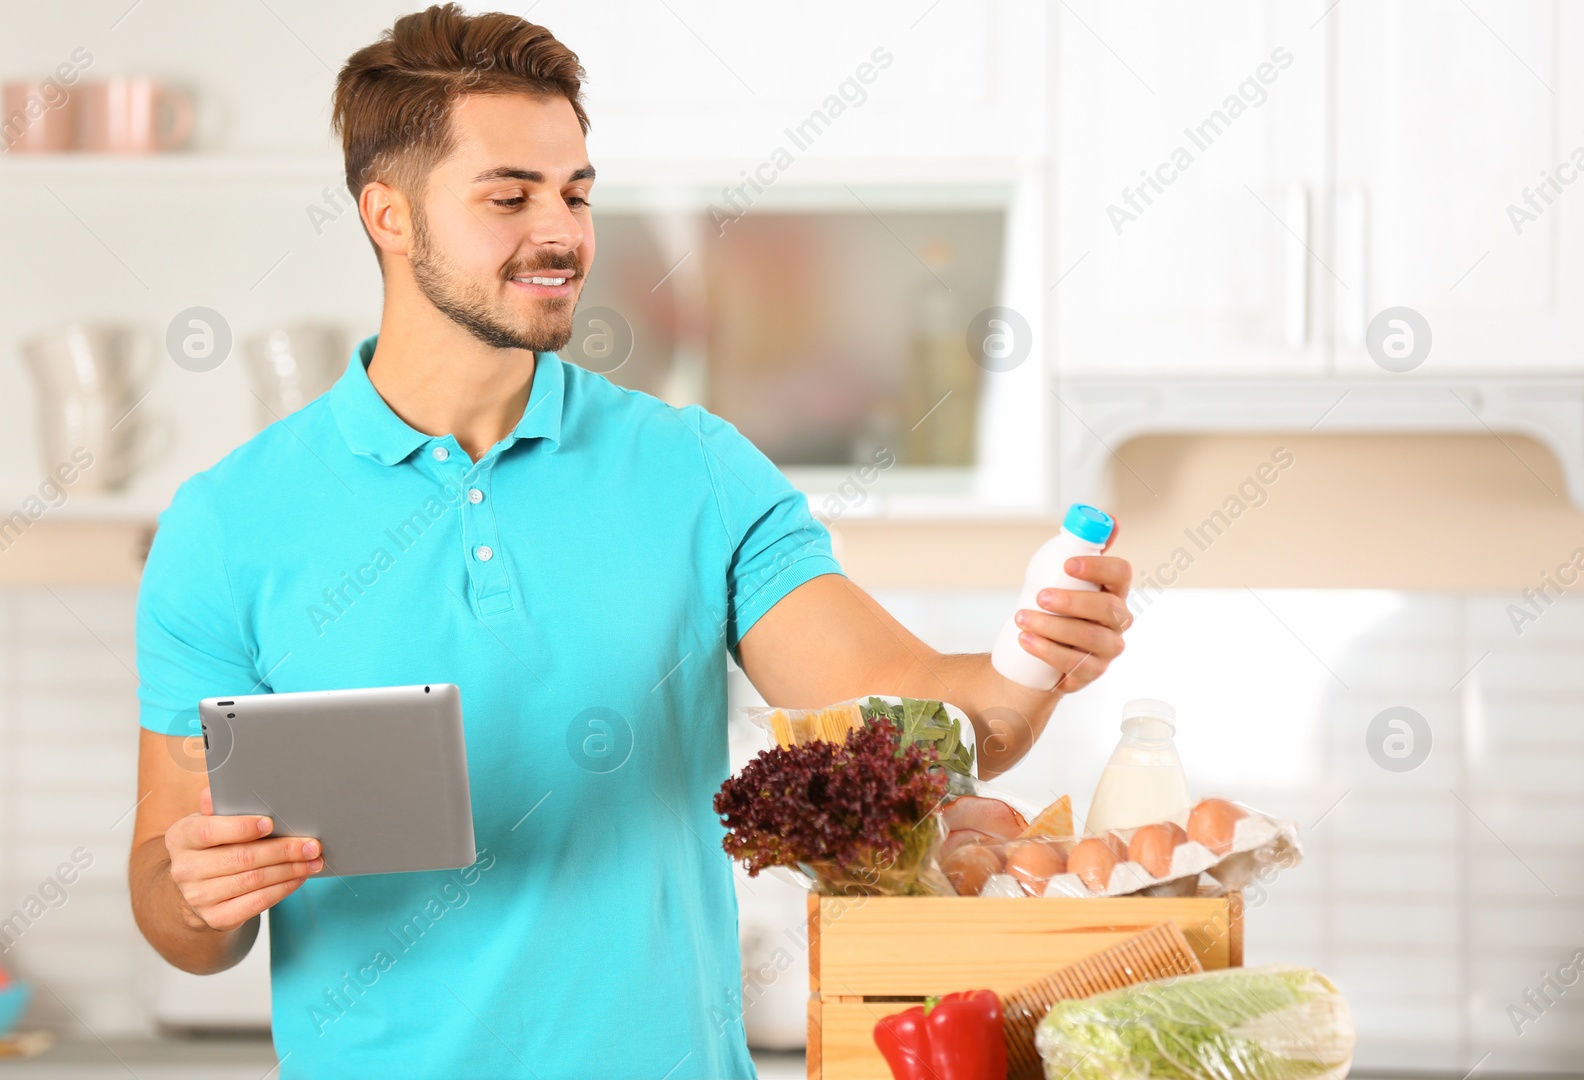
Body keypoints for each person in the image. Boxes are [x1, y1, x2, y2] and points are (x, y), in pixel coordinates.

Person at [127, 6, 1132, 1077]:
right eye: (508, 196)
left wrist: (1035, 661)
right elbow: (173, 906)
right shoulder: (229, 526)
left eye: (575, 193)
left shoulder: (690, 471)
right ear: (390, 215)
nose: (559, 232)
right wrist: (198, 890)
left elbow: (916, 729)